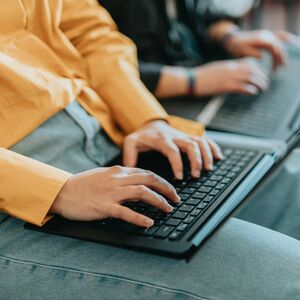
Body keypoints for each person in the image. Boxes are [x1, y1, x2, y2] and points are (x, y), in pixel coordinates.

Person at [1, 1, 300, 299]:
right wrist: (57, 190)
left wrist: (144, 118)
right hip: (20, 199)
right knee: (289, 280)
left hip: (104, 133)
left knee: (293, 186)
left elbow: (90, 32)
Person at [99, 0, 295, 99]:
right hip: (150, 101)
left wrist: (230, 36)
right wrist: (193, 80)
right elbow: (101, 68)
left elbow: (201, 12)